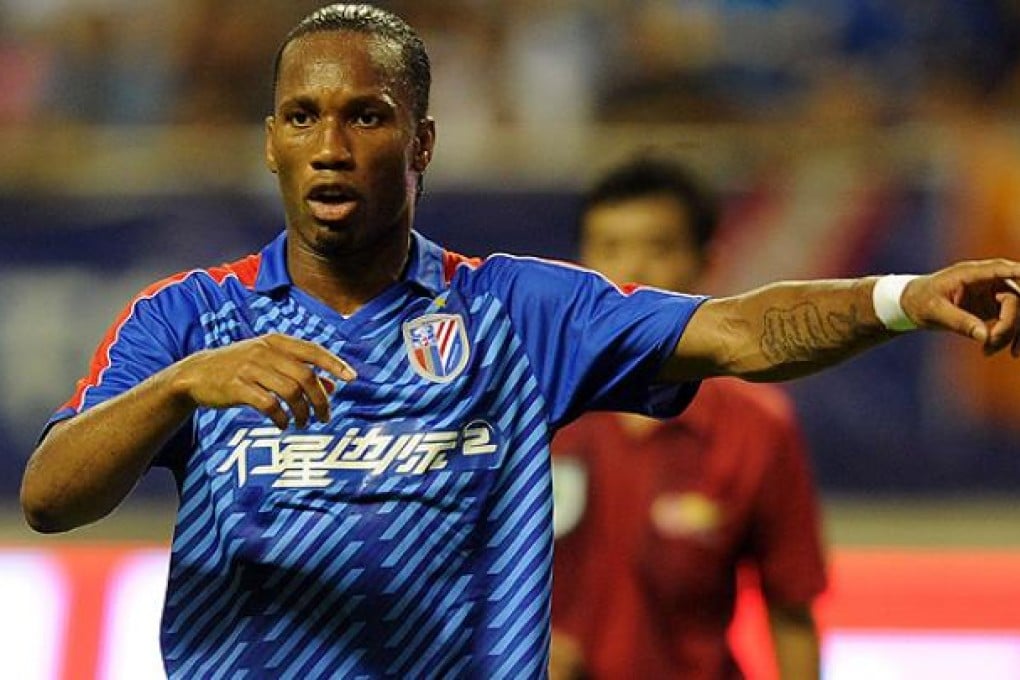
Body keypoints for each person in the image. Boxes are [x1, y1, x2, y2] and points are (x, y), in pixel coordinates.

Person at [18, 4, 1020, 678]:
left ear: (422, 142)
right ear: (271, 141)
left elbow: (738, 331)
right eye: (302, 117)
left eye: (366, 117)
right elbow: (50, 497)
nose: (330, 147)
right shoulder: (186, 320)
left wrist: (903, 294)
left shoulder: (516, 312)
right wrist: (182, 388)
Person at [548, 157, 825, 680]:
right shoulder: (529, 405)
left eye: (658, 248)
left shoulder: (756, 427)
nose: (630, 271)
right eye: (609, 248)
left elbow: (791, 608)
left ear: (707, 263)